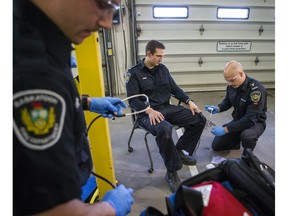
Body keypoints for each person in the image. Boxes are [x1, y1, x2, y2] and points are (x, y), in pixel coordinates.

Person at [13, 0, 134, 215]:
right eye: (103, 3)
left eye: (113, 9)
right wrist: (110, 208)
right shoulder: (32, 66)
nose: (107, 22)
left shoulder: (28, 28)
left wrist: (87, 102)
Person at [125, 40, 206, 192]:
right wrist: (149, 110)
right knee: (165, 129)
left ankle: (180, 150)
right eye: (158, 56)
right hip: (145, 114)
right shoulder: (134, 73)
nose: (161, 59)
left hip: (166, 108)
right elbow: (133, 100)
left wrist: (189, 101)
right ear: (148, 54)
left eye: (162, 56)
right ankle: (172, 171)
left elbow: (175, 89)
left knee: (199, 118)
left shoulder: (163, 69)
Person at [205, 60, 267, 151]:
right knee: (217, 146)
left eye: (232, 80)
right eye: (227, 80)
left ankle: (248, 156)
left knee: (247, 136)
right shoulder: (232, 86)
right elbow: (227, 101)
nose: (229, 83)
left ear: (241, 74)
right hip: (238, 120)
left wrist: (226, 129)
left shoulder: (256, 91)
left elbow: (250, 119)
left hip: (254, 123)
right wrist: (218, 108)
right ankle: (236, 140)